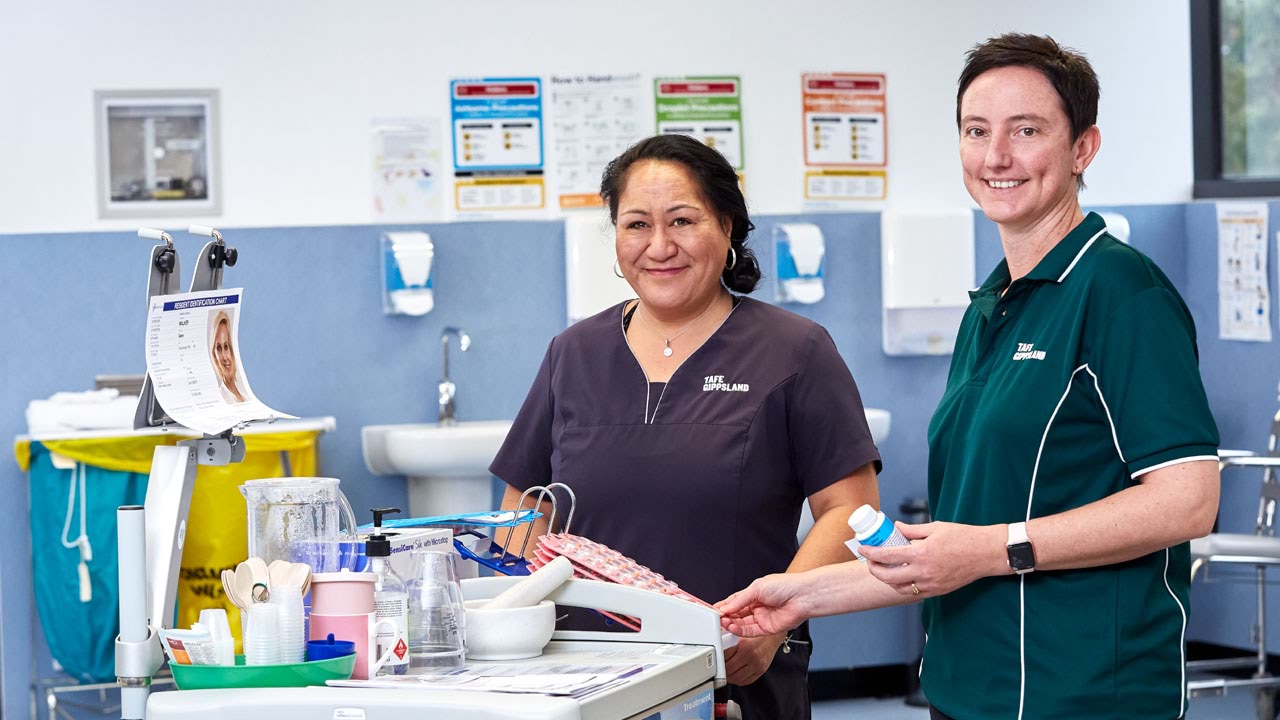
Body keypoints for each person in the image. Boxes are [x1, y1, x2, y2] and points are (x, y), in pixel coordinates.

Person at [716, 33, 1220, 720]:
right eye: (976, 131)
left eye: (1027, 130)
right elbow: (952, 553)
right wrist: (795, 598)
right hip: (966, 690)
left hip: (1083, 694)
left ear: (1083, 149)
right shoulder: (990, 308)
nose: (996, 157)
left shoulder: (1122, 294)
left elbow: (1187, 502)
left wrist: (994, 548)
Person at [489, 133, 883, 719]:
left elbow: (851, 513)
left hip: (739, 662)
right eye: (636, 224)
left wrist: (773, 622)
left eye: (682, 220)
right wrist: (518, 617)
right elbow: (523, 510)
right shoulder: (573, 352)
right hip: (585, 670)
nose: (659, 245)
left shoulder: (793, 351)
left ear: (727, 227)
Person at [210, 310, 247, 403]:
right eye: (219, 348)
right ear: (215, 356)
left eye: (226, 346)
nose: (224, 357)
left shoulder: (244, 394)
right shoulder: (221, 399)